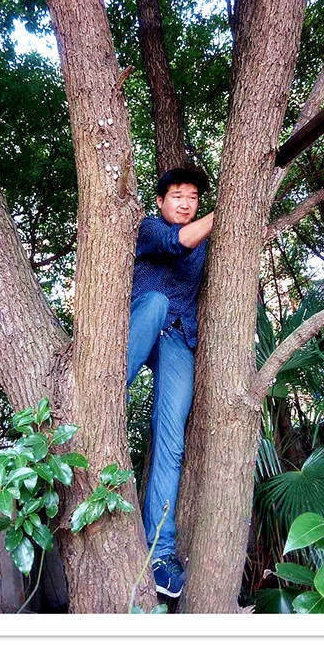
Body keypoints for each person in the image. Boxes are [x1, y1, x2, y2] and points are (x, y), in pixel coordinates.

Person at [127, 166, 214, 598]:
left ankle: (159, 555)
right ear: (161, 201)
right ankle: (101, 400)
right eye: (177, 195)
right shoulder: (149, 227)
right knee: (158, 301)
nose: (185, 203)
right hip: (143, 320)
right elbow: (176, 243)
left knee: (171, 441)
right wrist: (224, 211)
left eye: (193, 197)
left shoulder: (206, 239)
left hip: (179, 336)